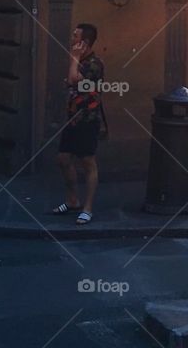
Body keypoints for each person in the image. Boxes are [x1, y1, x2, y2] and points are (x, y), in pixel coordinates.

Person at [53, 23, 104, 225]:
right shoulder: (81, 61)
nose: (72, 39)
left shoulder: (94, 64)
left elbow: (73, 79)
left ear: (85, 42)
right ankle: (72, 200)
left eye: (75, 36)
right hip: (73, 119)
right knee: (63, 159)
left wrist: (73, 58)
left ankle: (87, 208)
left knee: (88, 162)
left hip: (88, 120)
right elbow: (71, 81)